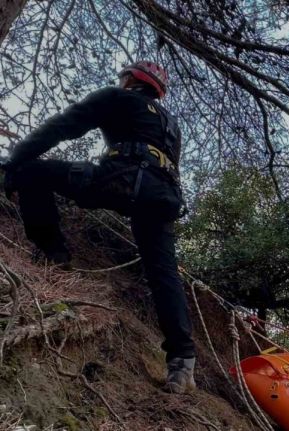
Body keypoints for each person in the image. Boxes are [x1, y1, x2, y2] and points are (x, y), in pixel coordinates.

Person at [0, 61, 196, 394]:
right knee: (164, 274)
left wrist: (15, 158)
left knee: (32, 171)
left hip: (118, 181)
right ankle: (182, 363)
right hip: (163, 197)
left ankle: (54, 252)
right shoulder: (171, 124)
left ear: (131, 80)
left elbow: (63, 126)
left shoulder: (118, 98)